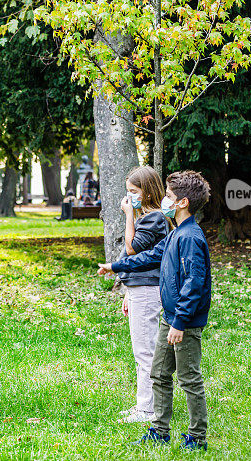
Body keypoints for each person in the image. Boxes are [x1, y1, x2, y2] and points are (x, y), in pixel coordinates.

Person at [98, 170, 212, 451]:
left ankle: (197, 437)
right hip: (169, 319)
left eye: (170, 197)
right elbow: (149, 256)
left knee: (189, 378)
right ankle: (159, 429)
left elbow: (194, 284)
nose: (165, 200)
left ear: (183, 202)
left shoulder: (191, 237)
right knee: (159, 374)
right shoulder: (176, 234)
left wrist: (180, 323)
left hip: (183, 323)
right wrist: (115, 266)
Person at [114, 166, 172, 424]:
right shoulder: (146, 217)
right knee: (141, 349)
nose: (129, 197)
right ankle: (144, 404)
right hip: (140, 289)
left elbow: (133, 249)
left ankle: (148, 409)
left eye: (133, 192)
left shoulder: (154, 218)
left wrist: (128, 215)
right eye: (128, 191)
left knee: (145, 350)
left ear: (148, 192)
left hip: (148, 291)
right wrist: (128, 292)